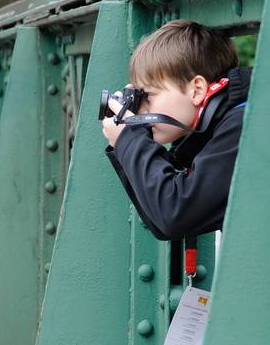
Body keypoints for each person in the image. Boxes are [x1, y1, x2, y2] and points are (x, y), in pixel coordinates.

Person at [102, 19, 251, 242]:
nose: (142, 109)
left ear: (197, 90)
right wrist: (125, 143)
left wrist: (129, 140)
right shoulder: (220, 125)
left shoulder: (243, 124)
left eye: (149, 95)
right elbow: (163, 224)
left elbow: (174, 214)